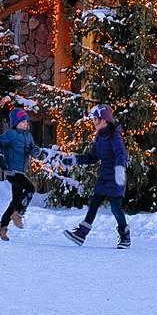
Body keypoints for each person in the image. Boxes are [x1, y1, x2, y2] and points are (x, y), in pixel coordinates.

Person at [64, 105, 130, 249]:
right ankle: (81, 234)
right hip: (104, 177)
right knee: (94, 204)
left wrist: (120, 170)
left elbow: (121, 154)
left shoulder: (114, 136)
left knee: (116, 208)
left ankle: (125, 236)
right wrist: (74, 160)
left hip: (116, 177)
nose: (93, 122)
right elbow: (92, 157)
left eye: (95, 119)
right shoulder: (100, 137)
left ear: (103, 120)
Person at [0, 108, 37, 241]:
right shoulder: (11, 134)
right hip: (12, 171)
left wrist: (35, 151)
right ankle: (19, 213)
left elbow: (33, 148)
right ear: (15, 123)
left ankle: (2, 227)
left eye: (26, 122)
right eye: (22, 122)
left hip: (21, 171)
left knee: (15, 201)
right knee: (30, 188)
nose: (25, 124)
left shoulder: (28, 136)